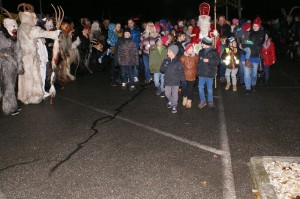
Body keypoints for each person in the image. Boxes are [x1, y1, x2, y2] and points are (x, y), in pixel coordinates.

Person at [240, 17, 265, 95]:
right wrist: (243, 44)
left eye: (256, 26)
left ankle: (253, 84)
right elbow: (241, 40)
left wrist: (245, 44)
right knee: (247, 73)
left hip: (255, 56)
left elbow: (256, 43)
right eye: (254, 25)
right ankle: (248, 88)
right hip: (245, 56)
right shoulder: (248, 31)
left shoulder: (262, 33)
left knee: (254, 74)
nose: (254, 27)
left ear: (259, 26)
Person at [197, 36, 221, 109]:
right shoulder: (201, 51)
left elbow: (218, 61)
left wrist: (209, 61)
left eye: (203, 43)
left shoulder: (214, 52)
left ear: (207, 44)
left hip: (210, 73)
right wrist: (198, 70)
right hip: (201, 73)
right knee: (200, 87)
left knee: (209, 89)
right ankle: (202, 101)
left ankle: (210, 101)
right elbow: (199, 62)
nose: (202, 44)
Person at [160, 45, 185, 113]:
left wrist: (182, 80)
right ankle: (171, 100)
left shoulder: (178, 61)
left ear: (173, 53)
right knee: (167, 93)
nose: (167, 53)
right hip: (167, 80)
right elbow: (161, 70)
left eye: (169, 52)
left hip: (175, 81)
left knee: (175, 94)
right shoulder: (165, 60)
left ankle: (174, 105)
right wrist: (165, 65)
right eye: (168, 51)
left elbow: (181, 71)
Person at [180, 42, 199, 108]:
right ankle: (185, 97)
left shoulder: (195, 57)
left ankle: (189, 100)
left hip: (192, 76)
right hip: (184, 76)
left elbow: (197, 64)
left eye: (192, 48)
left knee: (190, 89)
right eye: (190, 48)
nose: (192, 49)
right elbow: (180, 67)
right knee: (184, 88)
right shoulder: (182, 57)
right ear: (187, 49)